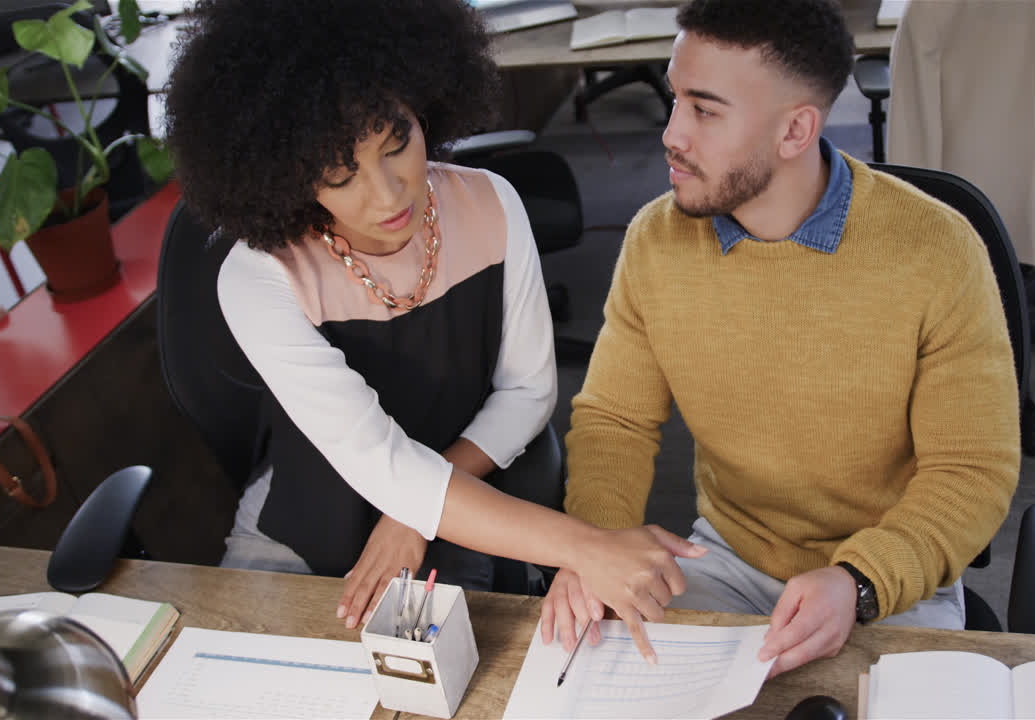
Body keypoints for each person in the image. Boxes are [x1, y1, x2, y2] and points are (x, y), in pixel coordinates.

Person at [163, 0, 700, 659]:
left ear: (428, 109)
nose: (389, 196)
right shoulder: (259, 275)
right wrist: (588, 546)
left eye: (398, 145)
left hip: (468, 511)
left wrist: (412, 512)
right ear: (284, 171)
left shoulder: (491, 206)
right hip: (302, 526)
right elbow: (378, 460)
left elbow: (529, 394)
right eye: (340, 174)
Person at [540, 0, 1021, 677]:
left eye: (705, 111)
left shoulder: (937, 251)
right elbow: (615, 421)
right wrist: (597, 545)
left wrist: (859, 581)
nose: (672, 134)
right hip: (727, 560)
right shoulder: (657, 240)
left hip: (887, 575)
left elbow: (971, 471)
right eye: (675, 98)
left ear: (796, 130)